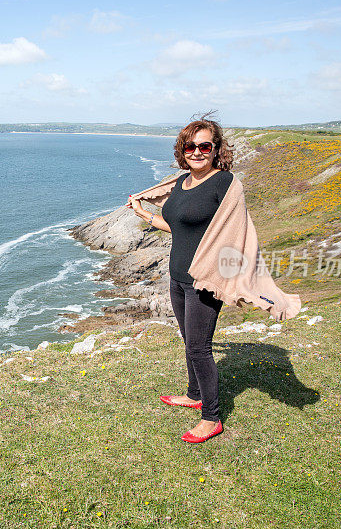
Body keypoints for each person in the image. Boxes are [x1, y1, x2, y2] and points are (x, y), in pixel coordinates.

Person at [128, 116, 238, 443]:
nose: (197, 152)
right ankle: (194, 394)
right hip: (177, 277)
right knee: (188, 340)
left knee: (199, 348)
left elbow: (237, 233)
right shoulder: (182, 182)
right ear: (182, 149)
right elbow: (179, 226)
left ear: (216, 149)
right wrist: (145, 214)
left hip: (204, 280)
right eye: (191, 146)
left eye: (205, 146)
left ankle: (212, 417)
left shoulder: (224, 183)